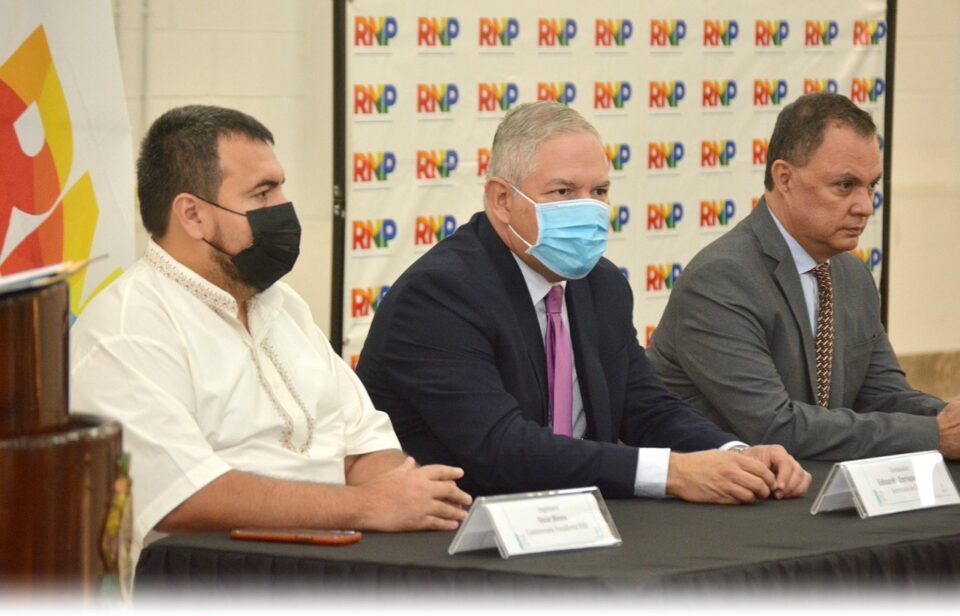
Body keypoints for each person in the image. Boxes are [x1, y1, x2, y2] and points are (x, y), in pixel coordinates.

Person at [71, 105, 470, 569]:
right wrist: (367, 506)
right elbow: (184, 496)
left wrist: (406, 497)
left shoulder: (282, 305)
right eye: (262, 194)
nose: (283, 208)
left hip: (341, 564)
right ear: (193, 215)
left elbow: (365, 446)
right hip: (214, 580)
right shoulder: (127, 328)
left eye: (280, 187)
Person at [356, 101, 810, 504]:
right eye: (563, 193)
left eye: (600, 192)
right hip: (459, 533)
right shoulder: (439, 295)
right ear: (501, 200)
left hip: (575, 520)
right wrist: (672, 473)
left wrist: (734, 453)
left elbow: (644, 405)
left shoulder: (601, 285)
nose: (589, 209)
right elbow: (501, 449)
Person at [647, 92, 960, 461]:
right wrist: (933, 435)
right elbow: (775, 427)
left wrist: (946, 419)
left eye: (872, 186)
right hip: (722, 491)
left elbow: (882, 396)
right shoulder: (720, 280)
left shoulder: (852, 275)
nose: (865, 206)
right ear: (784, 178)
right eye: (845, 185)